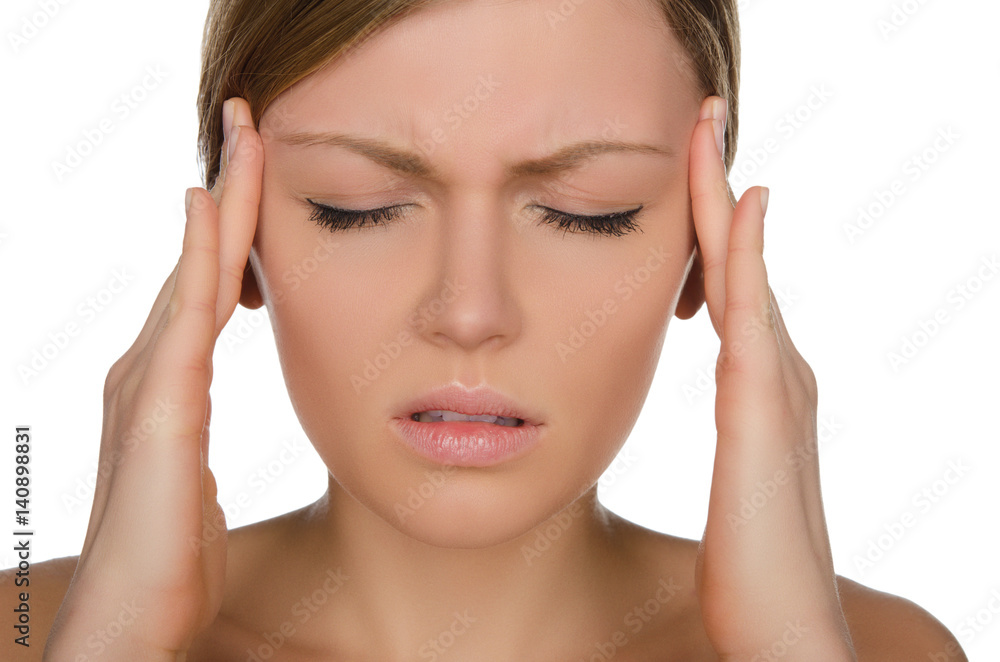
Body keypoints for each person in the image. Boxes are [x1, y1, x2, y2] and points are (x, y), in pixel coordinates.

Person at [5, 0, 968, 659]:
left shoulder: (882, 652)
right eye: (358, 207)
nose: (469, 311)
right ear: (234, 238)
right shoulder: (30, 630)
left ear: (705, 259)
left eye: (590, 213)